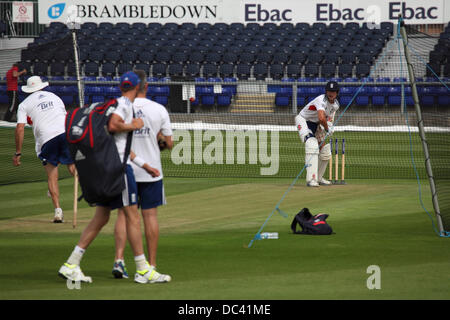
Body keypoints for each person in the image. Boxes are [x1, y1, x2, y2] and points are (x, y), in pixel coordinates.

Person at [58, 71, 171, 284]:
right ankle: (143, 269)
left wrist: (144, 165)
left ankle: (71, 264)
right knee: (133, 217)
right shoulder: (125, 106)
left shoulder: (111, 104)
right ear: (138, 88)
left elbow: (117, 141)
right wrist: (133, 126)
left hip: (103, 168)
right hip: (118, 170)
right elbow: (114, 125)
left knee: (102, 217)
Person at [112, 69, 173, 282]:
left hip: (126, 167)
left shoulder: (122, 107)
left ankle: (119, 260)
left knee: (123, 216)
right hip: (152, 170)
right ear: (145, 86)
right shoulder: (159, 109)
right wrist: (158, 139)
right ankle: (151, 265)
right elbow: (169, 143)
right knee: (150, 217)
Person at [13, 76, 75, 223]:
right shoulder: (54, 96)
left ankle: (58, 211)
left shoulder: (23, 104)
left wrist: (18, 152)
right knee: (72, 168)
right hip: (65, 132)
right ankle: (91, 189)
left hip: (46, 138)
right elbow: (64, 116)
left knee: (52, 175)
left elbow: (20, 128)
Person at [295, 81, 340, 187]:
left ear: (337, 93)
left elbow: (328, 117)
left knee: (325, 151)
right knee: (311, 144)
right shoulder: (321, 100)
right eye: (329, 91)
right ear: (326, 91)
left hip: (316, 124)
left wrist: (329, 125)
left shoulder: (336, 105)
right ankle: (311, 179)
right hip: (303, 120)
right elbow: (321, 117)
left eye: (333, 91)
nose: (331, 93)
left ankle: (319, 178)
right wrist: (328, 128)